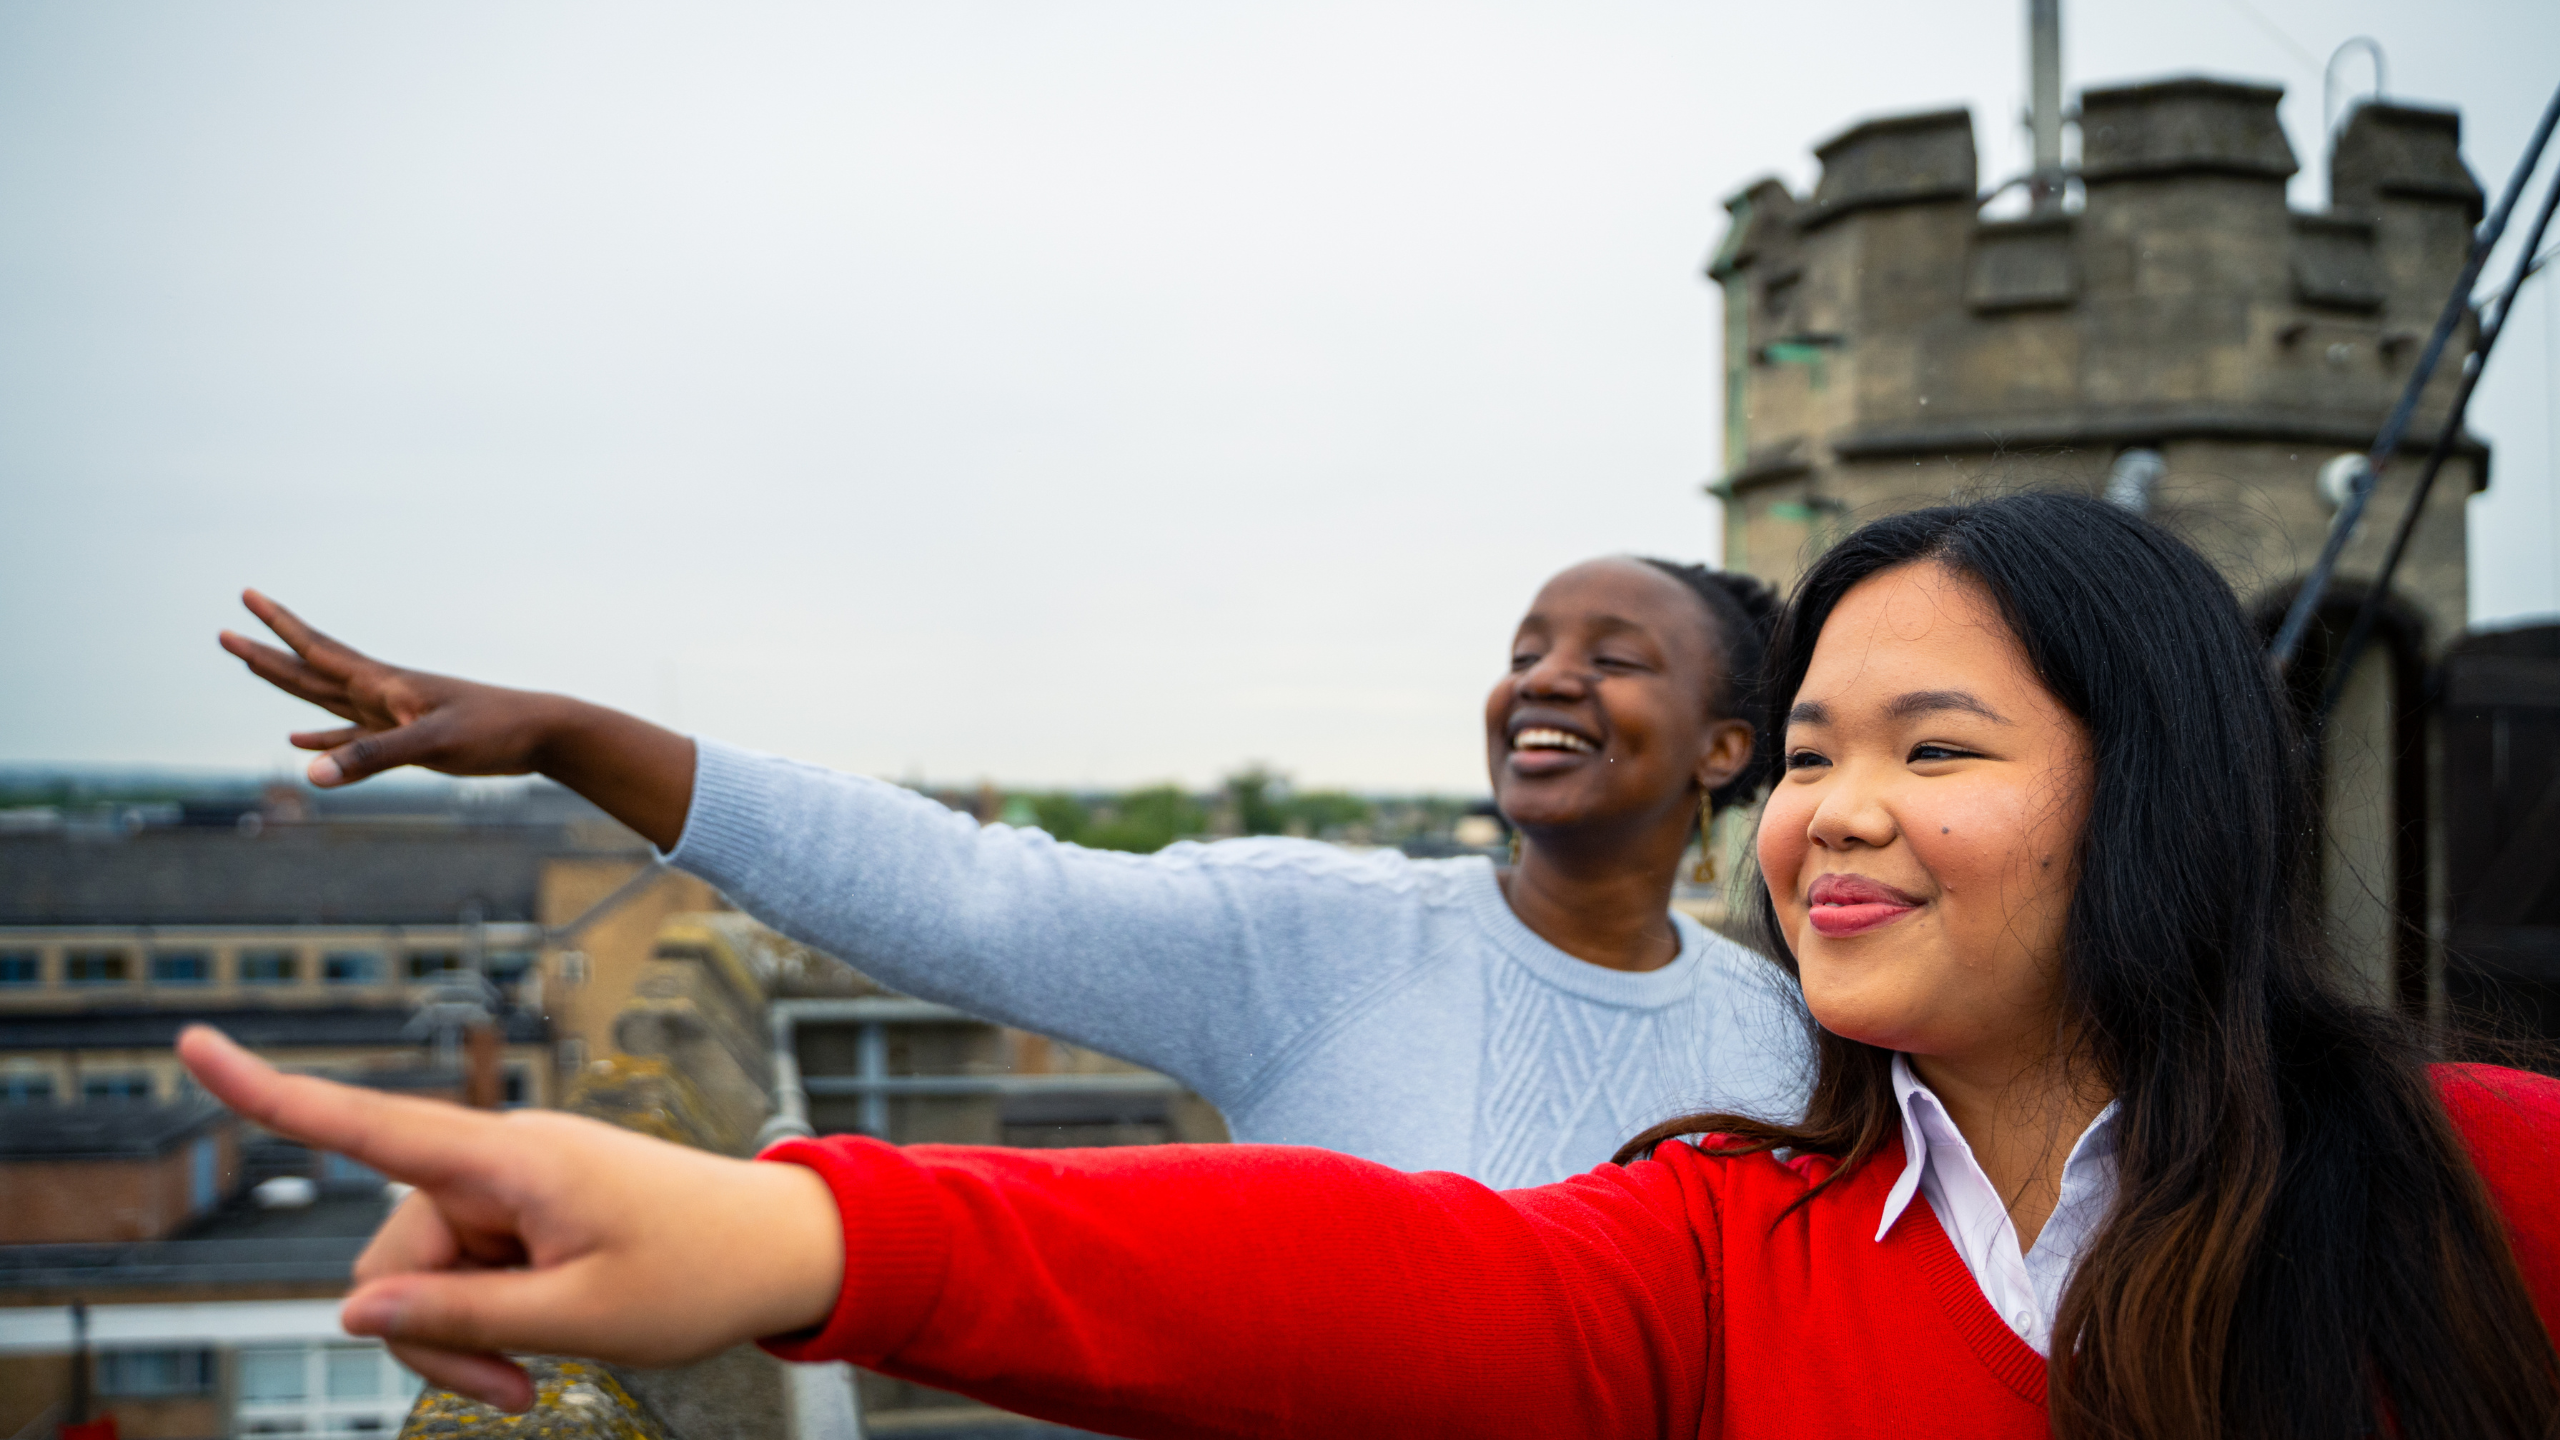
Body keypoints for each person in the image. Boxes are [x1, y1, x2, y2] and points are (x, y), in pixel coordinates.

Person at [184, 490, 2560, 1437]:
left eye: (1923, 745)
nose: (1542, 677)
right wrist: (768, 1221)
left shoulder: (2473, 1184)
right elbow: (1365, 1271)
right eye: (1518, 639)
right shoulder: (1702, 1208)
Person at [220, 556, 1808, 1187]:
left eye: (1614, 657)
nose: (1543, 678)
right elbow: (977, 893)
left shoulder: (1800, 1040)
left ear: (1728, 749)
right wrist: (577, 734)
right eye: (1525, 648)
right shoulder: (1324, 935)